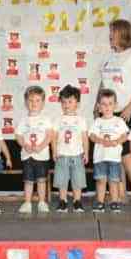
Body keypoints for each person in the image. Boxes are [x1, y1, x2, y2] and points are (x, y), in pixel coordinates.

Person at [98, 19, 131, 202]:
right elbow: (104, 84)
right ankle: (121, 194)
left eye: (113, 32)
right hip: (108, 111)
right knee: (115, 153)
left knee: (125, 153)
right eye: (110, 32)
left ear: (123, 33)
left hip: (125, 111)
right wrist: (98, 105)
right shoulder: (109, 56)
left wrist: (129, 108)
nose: (110, 35)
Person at [15, 86, 54, 214]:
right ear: (26, 102)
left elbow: (49, 136)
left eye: (37, 100)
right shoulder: (23, 120)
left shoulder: (46, 119)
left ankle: (42, 202)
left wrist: (41, 146)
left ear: (43, 103)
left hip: (41, 155)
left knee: (42, 179)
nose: (34, 103)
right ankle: (27, 202)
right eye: (31, 100)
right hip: (27, 155)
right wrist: (24, 145)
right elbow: (18, 135)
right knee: (28, 180)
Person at [90, 89, 130, 213]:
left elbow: (125, 136)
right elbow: (92, 136)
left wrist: (116, 142)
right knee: (101, 180)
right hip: (100, 157)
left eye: (110, 103)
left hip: (114, 158)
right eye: (104, 104)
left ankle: (114, 202)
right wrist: (101, 141)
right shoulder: (97, 121)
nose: (107, 107)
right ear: (99, 106)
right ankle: (100, 202)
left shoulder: (119, 121)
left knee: (114, 181)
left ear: (115, 105)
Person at [52, 85, 89, 213]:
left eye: (70, 101)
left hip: (77, 154)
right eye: (63, 102)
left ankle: (77, 201)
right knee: (62, 179)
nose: (66, 105)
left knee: (77, 179)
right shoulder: (58, 120)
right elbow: (54, 137)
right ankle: (62, 201)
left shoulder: (81, 120)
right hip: (62, 154)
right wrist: (54, 151)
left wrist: (86, 153)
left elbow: (85, 138)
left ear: (77, 103)